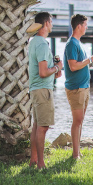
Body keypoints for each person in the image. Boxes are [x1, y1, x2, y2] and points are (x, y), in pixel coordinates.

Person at [28, 12, 63, 169]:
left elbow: (44, 71)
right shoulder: (42, 44)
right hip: (43, 90)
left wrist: (56, 69)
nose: (53, 25)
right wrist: (57, 67)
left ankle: (34, 160)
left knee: (37, 126)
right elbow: (43, 72)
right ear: (46, 24)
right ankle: (41, 164)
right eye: (51, 22)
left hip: (37, 89)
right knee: (43, 127)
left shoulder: (34, 41)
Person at [64, 14, 93, 159]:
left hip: (84, 87)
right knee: (77, 121)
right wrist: (89, 59)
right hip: (76, 88)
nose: (86, 27)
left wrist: (92, 63)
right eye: (85, 25)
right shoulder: (72, 44)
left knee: (80, 120)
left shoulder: (79, 43)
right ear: (79, 26)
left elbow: (81, 64)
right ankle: (75, 155)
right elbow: (73, 66)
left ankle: (77, 152)